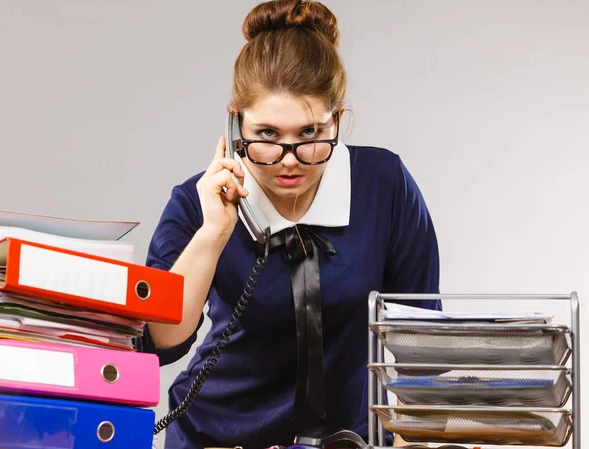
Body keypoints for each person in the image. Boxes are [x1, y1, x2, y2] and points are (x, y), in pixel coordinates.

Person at [138, 1, 441, 448]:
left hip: (347, 440)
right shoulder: (195, 201)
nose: (288, 161)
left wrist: (411, 438)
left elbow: (422, 343)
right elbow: (162, 339)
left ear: (338, 120)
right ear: (235, 122)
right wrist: (214, 233)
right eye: (265, 135)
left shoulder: (385, 186)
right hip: (216, 438)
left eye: (309, 134)